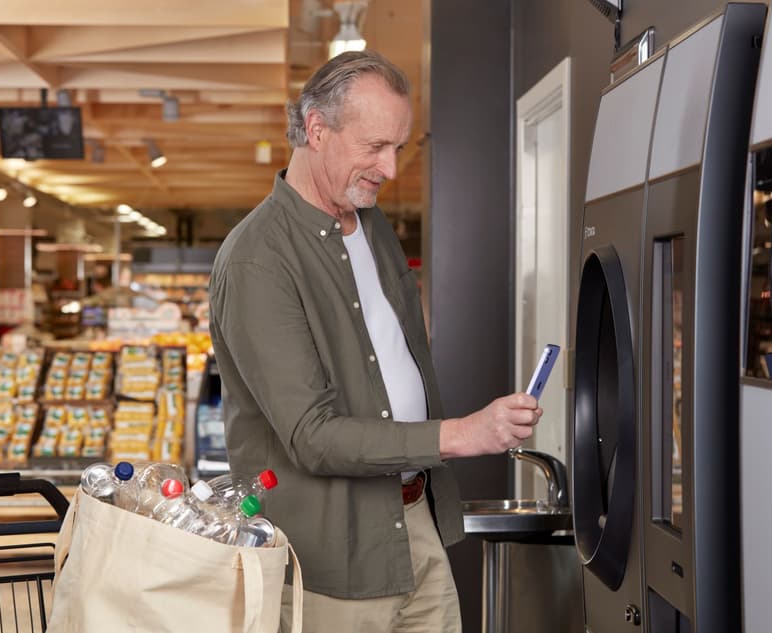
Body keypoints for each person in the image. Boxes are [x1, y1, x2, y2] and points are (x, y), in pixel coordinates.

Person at [208, 50, 542, 633]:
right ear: (316, 129)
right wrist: (465, 434)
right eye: (374, 147)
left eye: (399, 147)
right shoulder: (257, 260)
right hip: (330, 559)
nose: (390, 168)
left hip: (416, 521)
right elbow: (312, 437)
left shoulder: (373, 224)